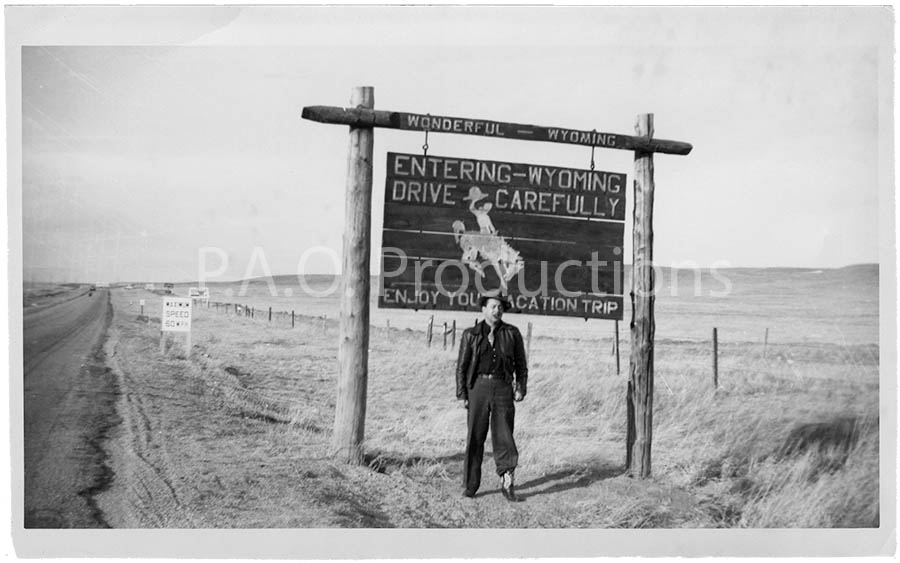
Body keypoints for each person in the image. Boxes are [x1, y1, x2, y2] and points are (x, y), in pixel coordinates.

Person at [456, 294, 528, 501]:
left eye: (501, 308)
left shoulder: (512, 333)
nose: (497, 310)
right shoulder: (471, 334)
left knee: (504, 436)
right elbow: (461, 366)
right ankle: (470, 486)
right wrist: (462, 394)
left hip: (503, 388)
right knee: (475, 437)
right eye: (493, 307)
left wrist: (520, 388)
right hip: (477, 387)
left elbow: (521, 365)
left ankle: (507, 483)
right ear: (483, 310)